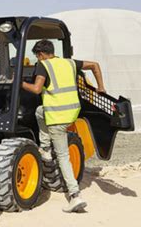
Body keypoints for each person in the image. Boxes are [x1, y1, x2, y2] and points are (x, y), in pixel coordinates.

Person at [21, 39, 106, 213]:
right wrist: (100, 87)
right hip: (72, 112)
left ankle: (75, 196)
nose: (37, 59)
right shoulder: (69, 63)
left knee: (62, 157)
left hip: (57, 116)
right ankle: (44, 147)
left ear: (41, 54)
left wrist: (17, 82)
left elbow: (37, 89)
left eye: (37, 56)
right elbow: (95, 65)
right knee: (39, 111)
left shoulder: (43, 65)